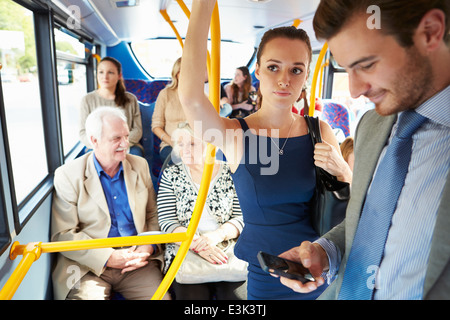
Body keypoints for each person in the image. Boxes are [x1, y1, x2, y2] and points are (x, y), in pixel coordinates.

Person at [178, 0, 350, 300]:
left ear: (306, 75)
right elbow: (192, 99)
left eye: (296, 70)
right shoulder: (235, 134)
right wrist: (203, 5)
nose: (284, 79)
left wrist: (345, 172)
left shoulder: (319, 131)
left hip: (319, 267)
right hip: (270, 275)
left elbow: (353, 203)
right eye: (273, 67)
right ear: (257, 71)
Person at [279, 0, 450, 300]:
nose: (356, 89)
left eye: (367, 64)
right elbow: (370, 220)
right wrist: (325, 251)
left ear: (430, 32)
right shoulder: (371, 125)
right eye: (347, 69)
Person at [51, 107, 170, 300]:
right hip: (88, 265)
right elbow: (63, 234)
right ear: (94, 141)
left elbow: (153, 215)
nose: (126, 144)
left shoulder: (139, 165)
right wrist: (107, 257)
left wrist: (148, 246)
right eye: (116, 139)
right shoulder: (68, 175)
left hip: (137, 260)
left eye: (126, 136)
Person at [157, 122, 246, 300]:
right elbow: (167, 221)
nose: (185, 150)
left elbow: (241, 216)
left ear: (209, 145)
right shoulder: (171, 174)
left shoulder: (231, 171)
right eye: (180, 144)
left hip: (226, 245)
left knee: (236, 298)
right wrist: (198, 244)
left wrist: (216, 236)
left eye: (192, 144)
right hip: (186, 246)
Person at [79, 56, 143, 156]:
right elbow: (83, 133)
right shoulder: (87, 100)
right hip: (97, 147)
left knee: (136, 156)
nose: (105, 77)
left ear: (119, 76)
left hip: (127, 145)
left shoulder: (131, 99)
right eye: (101, 72)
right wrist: (105, 147)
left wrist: (119, 145)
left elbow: (137, 131)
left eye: (110, 72)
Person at [152, 57, 187, 163]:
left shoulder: (202, 96)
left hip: (193, 145)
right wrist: (174, 142)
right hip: (169, 145)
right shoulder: (165, 94)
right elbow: (156, 126)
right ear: (177, 74)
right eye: (185, 72)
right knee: (179, 160)